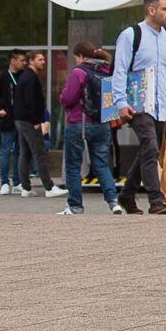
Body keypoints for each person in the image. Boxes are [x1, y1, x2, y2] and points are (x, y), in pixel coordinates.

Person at [105, 0, 166, 216]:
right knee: (150, 146)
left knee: (148, 150)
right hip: (137, 104)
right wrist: (120, 102)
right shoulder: (131, 35)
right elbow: (120, 69)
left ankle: (127, 194)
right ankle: (156, 200)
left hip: (161, 106)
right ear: (151, 11)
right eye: (165, 9)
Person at [60, 41, 117, 214]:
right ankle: (113, 201)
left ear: (80, 56)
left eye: (76, 58)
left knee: (73, 165)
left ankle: (75, 205)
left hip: (79, 122)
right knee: (101, 164)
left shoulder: (79, 72)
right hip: (103, 123)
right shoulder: (107, 71)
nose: (76, 61)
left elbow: (68, 98)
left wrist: (62, 96)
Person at [10, 50, 53, 201]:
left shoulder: (25, 77)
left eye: (43, 59)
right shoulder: (30, 77)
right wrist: (36, 121)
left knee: (25, 153)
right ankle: (49, 187)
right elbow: (30, 101)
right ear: (31, 61)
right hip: (28, 121)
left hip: (21, 119)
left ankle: (26, 188)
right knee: (39, 153)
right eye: (40, 59)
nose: (43, 62)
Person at [0, 52, 26, 196]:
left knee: (19, 151)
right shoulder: (1, 77)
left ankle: (17, 182)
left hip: (21, 119)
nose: (24, 63)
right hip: (8, 119)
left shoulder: (24, 76)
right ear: (12, 61)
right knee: (6, 150)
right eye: (21, 60)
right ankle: (4, 182)